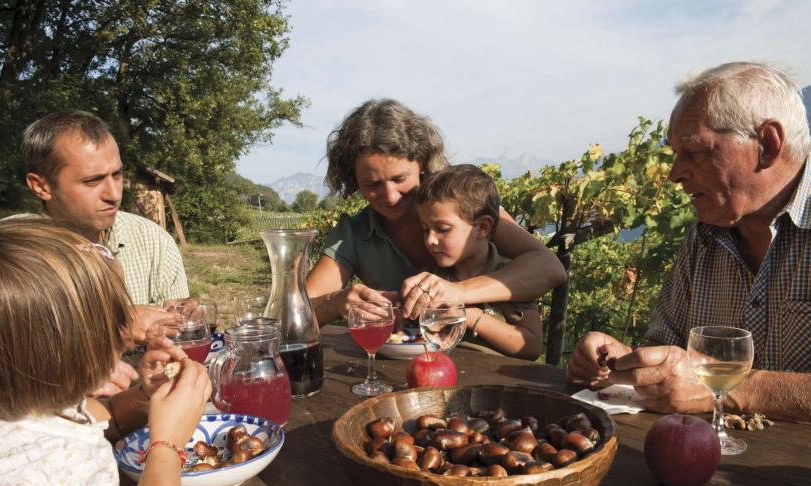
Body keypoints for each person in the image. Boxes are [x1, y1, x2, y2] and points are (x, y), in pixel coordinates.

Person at [567, 61, 811, 422]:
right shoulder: (705, 240)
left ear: (767, 145)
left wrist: (732, 388)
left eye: (695, 152)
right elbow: (667, 350)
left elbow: (702, 383)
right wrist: (625, 363)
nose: (674, 174)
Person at [0, 217, 212, 486]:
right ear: (62, 351)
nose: (126, 338)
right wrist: (167, 444)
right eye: (114, 322)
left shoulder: (27, 406)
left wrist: (147, 396)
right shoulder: (25, 476)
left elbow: (108, 417)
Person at [307, 99, 567, 325]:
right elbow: (296, 315)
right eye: (372, 184)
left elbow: (549, 269)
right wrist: (334, 303)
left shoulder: (464, 208)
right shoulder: (353, 233)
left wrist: (457, 292)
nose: (390, 196)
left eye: (400, 179)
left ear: (422, 164)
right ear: (353, 180)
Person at [23, 110, 189, 308]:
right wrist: (125, 328)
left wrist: (184, 320)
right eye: (92, 181)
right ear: (41, 186)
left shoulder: (154, 241)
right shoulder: (5, 256)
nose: (114, 195)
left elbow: (181, 329)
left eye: (117, 175)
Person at [415, 164, 542, 359]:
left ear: (483, 227)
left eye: (442, 229)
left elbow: (531, 347)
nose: (430, 240)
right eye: (425, 229)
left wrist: (467, 315)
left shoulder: (511, 278)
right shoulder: (432, 277)